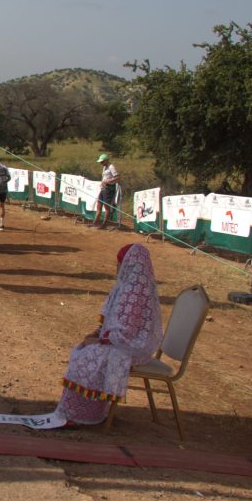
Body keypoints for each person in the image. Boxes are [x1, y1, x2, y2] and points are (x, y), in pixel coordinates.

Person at [55, 243, 162, 425]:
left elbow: (126, 332)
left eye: (119, 262)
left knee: (89, 355)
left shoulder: (135, 291)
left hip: (131, 348)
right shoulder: (128, 285)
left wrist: (99, 341)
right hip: (123, 343)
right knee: (85, 350)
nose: (117, 267)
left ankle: (83, 414)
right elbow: (113, 322)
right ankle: (82, 411)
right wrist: (97, 334)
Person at [93, 153, 121, 229]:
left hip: (108, 189)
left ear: (106, 160)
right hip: (103, 189)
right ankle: (95, 223)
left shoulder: (111, 167)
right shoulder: (104, 167)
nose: (101, 163)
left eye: (102, 162)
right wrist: (103, 182)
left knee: (106, 207)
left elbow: (118, 177)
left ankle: (104, 224)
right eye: (100, 162)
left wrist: (108, 181)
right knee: (99, 205)